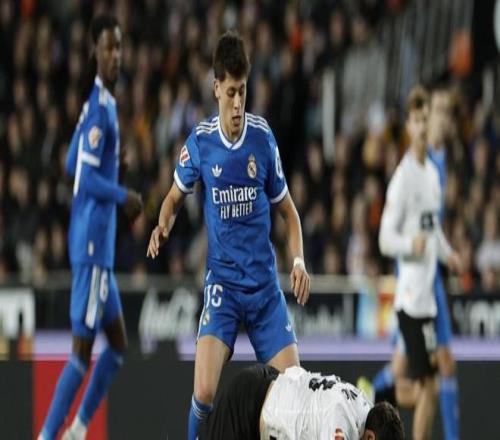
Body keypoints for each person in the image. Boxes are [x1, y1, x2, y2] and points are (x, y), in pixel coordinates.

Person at [147, 30, 310, 440]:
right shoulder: (202, 143)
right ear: (216, 87)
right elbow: (172, 198)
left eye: (243, 92)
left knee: (296, 395)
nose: (238, 103)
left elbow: (289, 213)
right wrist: (162, 225)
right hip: (223, 287)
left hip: (264, 290)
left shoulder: (262, 138)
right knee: (203, 392)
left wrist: (298, 261)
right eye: (231, 92)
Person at [38, 15, 142, 440]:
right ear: (95, 53)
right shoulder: (99, 110)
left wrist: (115, 168)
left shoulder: (98, 104)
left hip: (94, 244)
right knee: (81, 353)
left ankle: (78, 428)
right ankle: (48, 435)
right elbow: (82, 176)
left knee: (116, 346)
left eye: (119, 47)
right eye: (108, 48)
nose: (116, 55)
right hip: (95, 244)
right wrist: (123, 194)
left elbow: (69, 163)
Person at [363, 86, 460, 440]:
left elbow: (432, 229)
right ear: (410, 125)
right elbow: (385, 239)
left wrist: (449, 254)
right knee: (429, 384)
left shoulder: (433, 172)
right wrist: (410, 245)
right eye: (417, 120)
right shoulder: (404, 178)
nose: (423, 126)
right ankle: (373, 397)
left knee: (422, 382)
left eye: (426, 119)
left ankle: (372, 395)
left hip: (427, 300)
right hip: (412, 297)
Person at [199, 364, 405, 440]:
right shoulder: (343, 422)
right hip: (249, 408)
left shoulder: (367, 408)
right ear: (370, 437)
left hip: (271, 390)